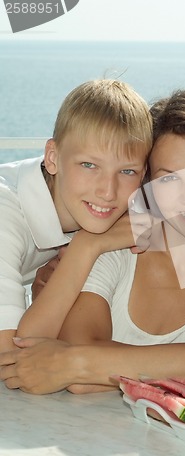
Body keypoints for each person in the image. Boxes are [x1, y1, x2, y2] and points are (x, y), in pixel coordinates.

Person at [0, 90, 185, 394]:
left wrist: (76, 364)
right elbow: (63, 368)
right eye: (169, 179)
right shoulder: (113, 246)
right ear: (148, 186)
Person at [0, 79, 152, 353]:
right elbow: (10, 356)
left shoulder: (92, 208)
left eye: (127, 171)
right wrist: (86, 247)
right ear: (53, 157)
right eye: (89, 165)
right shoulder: (5, 211)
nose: (108, 191)